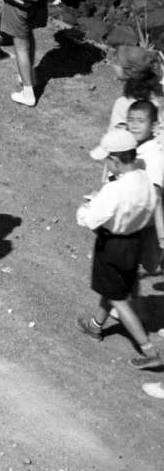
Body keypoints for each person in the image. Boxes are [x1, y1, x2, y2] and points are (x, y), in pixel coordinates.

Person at [76, 127, 164, 370]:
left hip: (112, 246)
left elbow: (91, 219)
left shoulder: (114, 190)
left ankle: (149, 350)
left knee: (118, 298)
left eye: (107, 159)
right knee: (113, 286)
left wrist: (84, 209)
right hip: (133, 242)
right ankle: (95, 325)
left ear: (115, 160)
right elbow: (150, 206)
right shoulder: (145, 179)